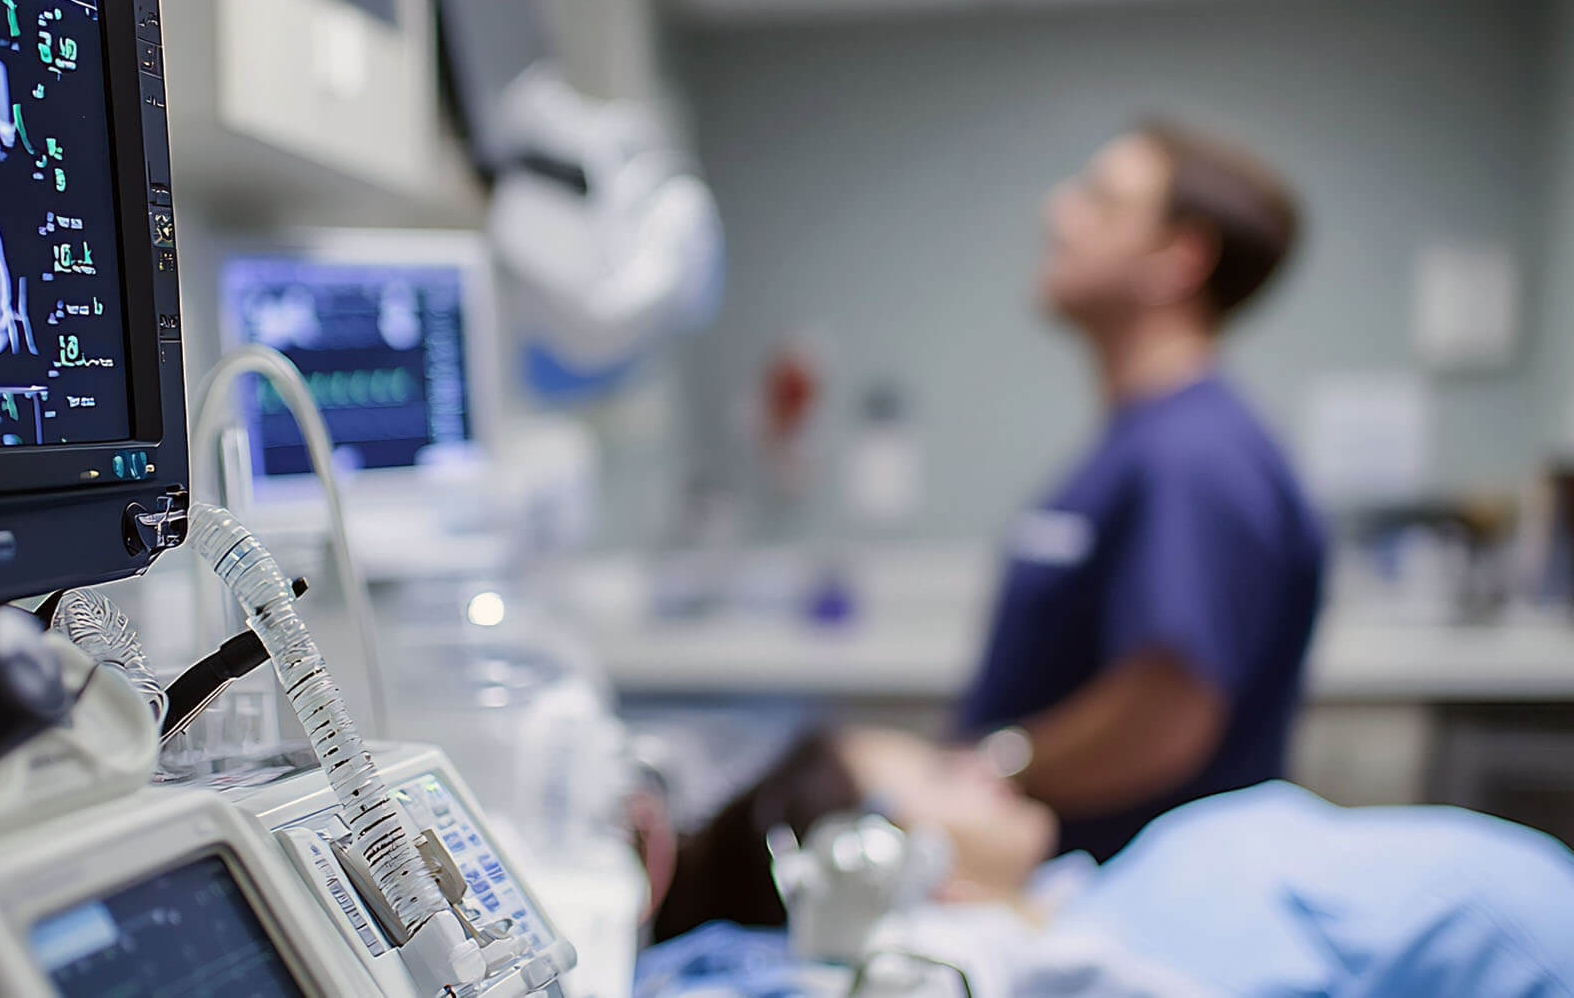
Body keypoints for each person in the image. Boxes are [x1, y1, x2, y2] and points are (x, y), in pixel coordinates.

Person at [955, 119, 1326, 860]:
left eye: (1100, 200)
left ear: (1177, 257)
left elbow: (1166, 709)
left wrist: (996, 770)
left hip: (1131, 897)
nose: (1058, 211)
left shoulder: (1195, 456)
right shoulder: (1144, 442)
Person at [645, 728, 1574, 997]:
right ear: (890, 866)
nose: (980, 761)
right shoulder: (1088, 965)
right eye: (937, 771)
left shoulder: (1099, 896)